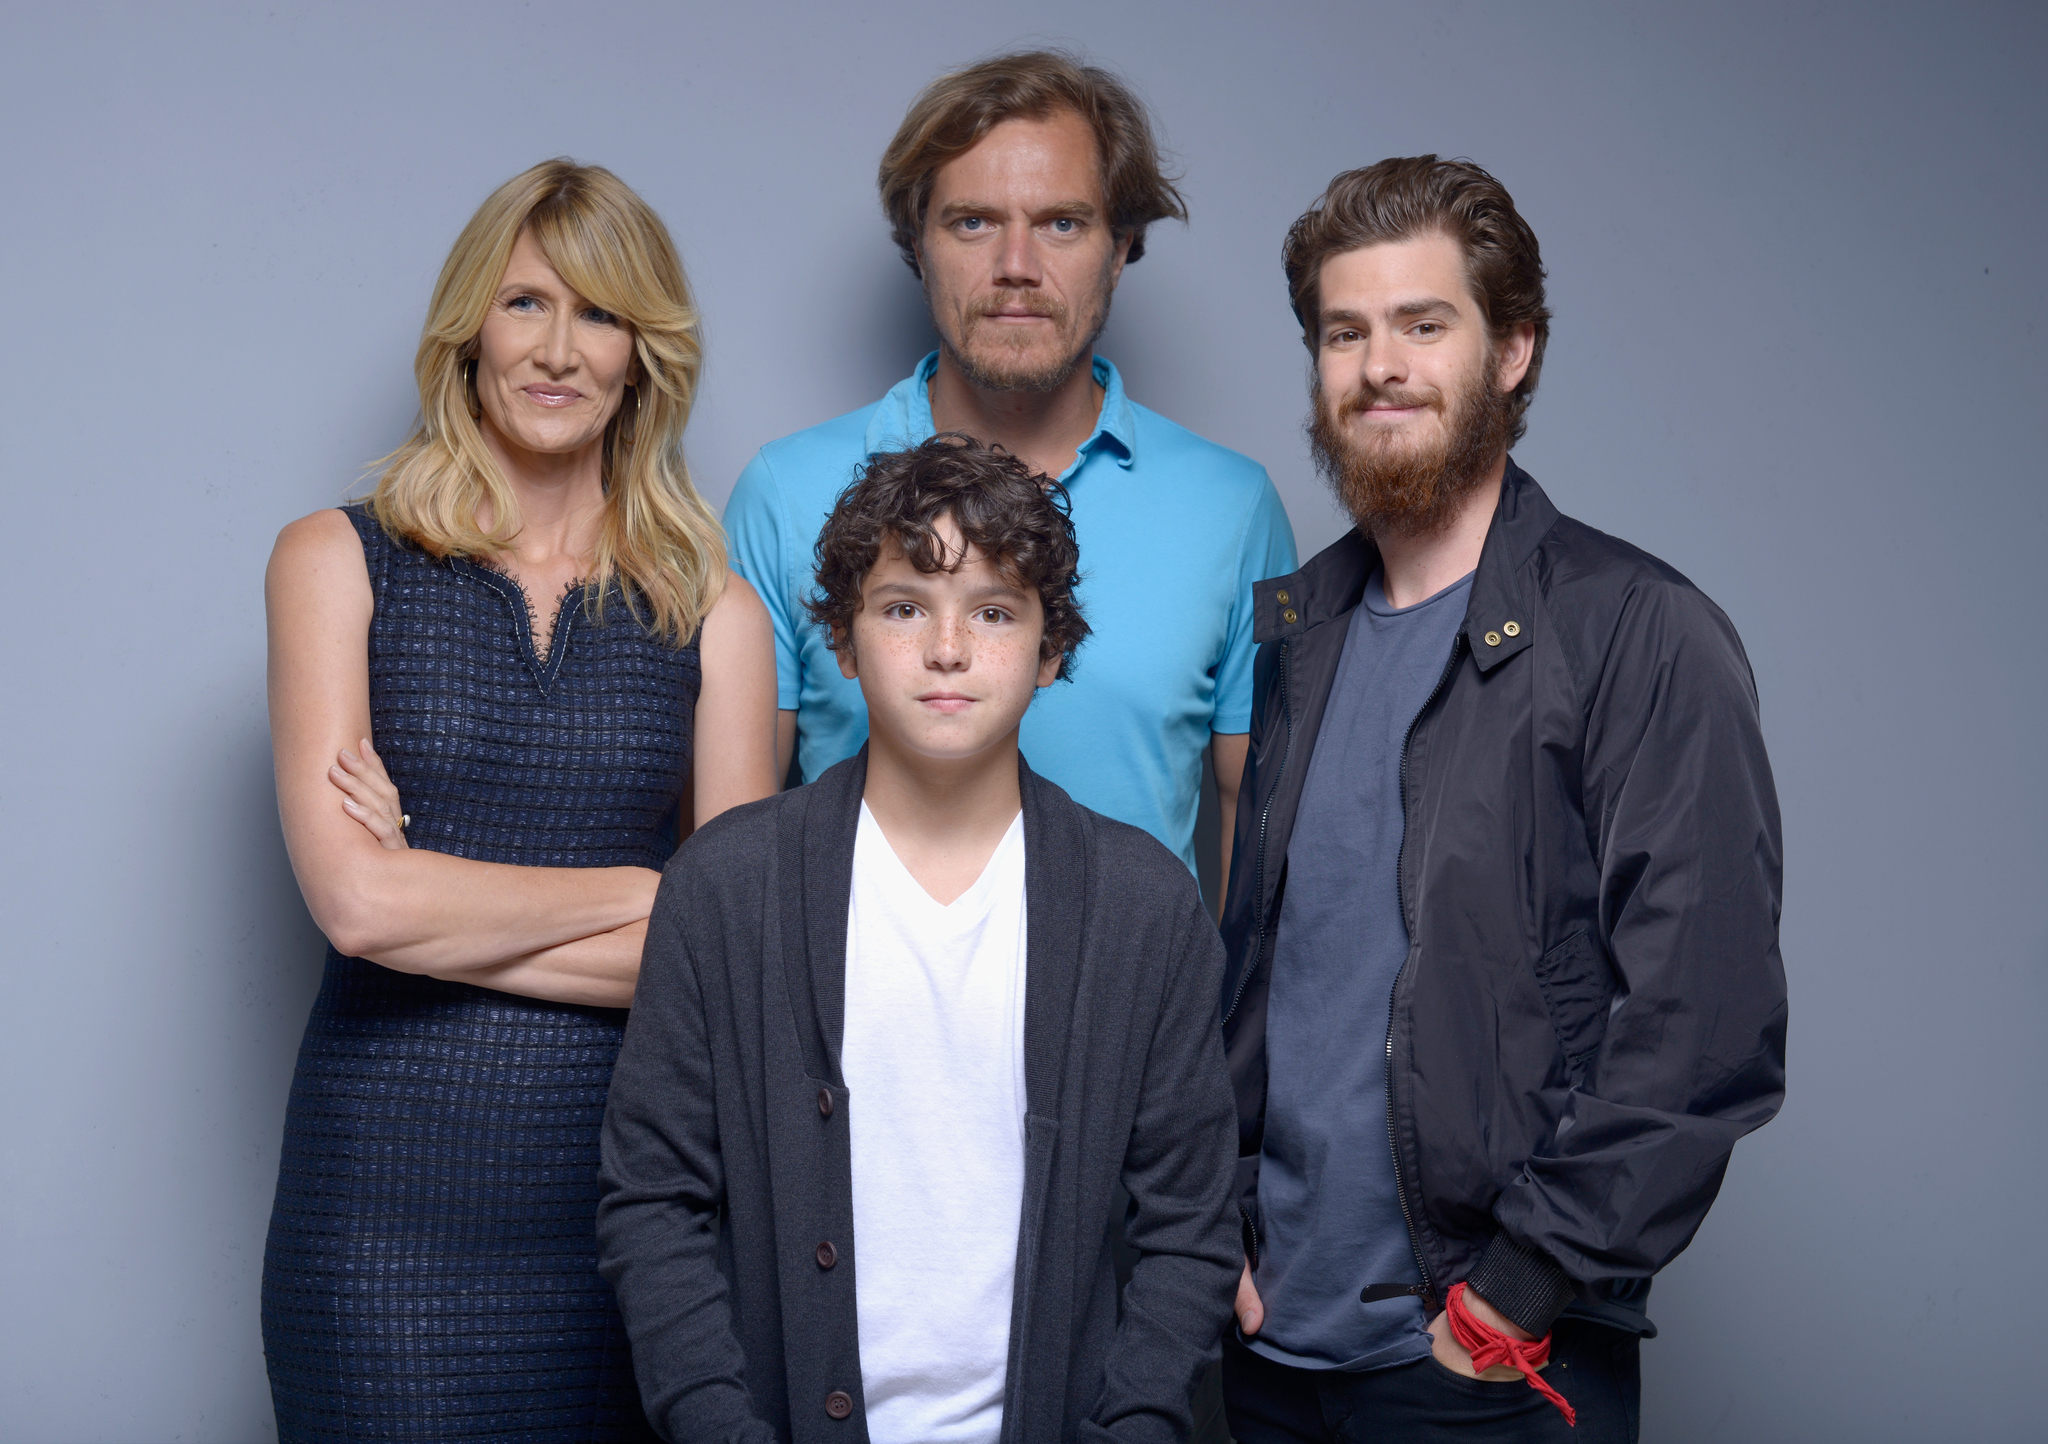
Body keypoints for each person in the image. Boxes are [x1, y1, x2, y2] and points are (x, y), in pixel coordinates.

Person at [1217, 157, 1787, 1442]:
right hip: (1267, 1350)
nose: (1379, 366)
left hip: (1479, 1365)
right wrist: (1215, 1223)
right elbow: (1268, 974)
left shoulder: (1636, 630)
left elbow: (1705, 1024)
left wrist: (1515, 1291)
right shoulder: (1298, 631)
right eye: (1342, 331)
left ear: (1512, 349)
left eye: (1423, 324)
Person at [259, 159, 779, 1441]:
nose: (557, 350)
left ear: (642, 355)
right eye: (526, 304)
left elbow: (737, 959)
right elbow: (360, 905)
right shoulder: (336, 560)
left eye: (599, 314)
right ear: (469, 332)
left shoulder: (713, 610)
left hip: (630, 1218)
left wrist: (444, 896)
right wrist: (649, 895)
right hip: (376, 1228)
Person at [596, 436, 1242, 1444]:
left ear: (1049, 648)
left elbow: (1189, 1231)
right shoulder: (725, 887)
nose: (948, 649)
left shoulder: (1141, 906)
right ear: (844, 646)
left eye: (992, 611)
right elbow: (651, 1201)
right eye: (904, 607)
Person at [725, 49, 1296, 880]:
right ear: (918, 244)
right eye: (973, 222)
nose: (1017, 267)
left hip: (1126, 1004)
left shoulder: (1233, 507)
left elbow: (1261, 840)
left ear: (1121, 245)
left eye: (1062, 222)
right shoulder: (784, 491)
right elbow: (734, 861)